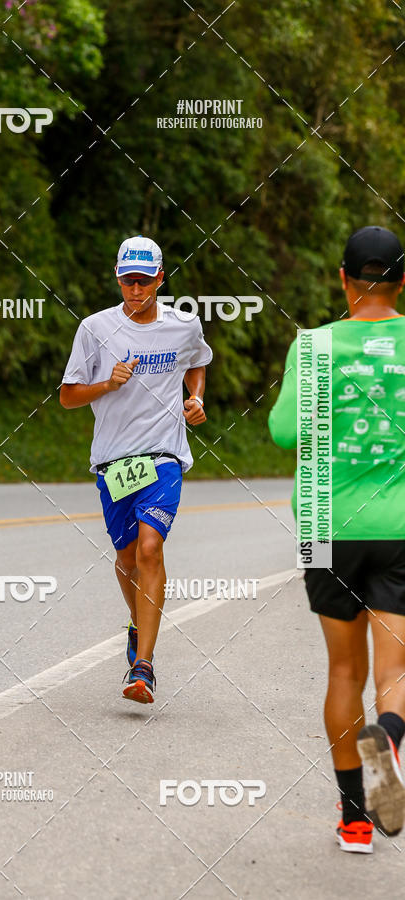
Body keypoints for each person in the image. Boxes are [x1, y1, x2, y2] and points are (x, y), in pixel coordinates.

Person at [269, 225, 405, 853]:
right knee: (394, 669)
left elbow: (282, 432)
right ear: (402, 281)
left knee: (343, 668)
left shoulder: (315, 345)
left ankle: (354, 819)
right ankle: (393, 739)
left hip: (323, 527)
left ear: (343, 279)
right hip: (401, 526)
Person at [60, 235, 212, 703]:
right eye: (128, 280)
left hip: (163, 455)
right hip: (113, 461)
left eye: (144, 281)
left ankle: (142, 667)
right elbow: (68, 396)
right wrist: (107, 383)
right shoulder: (94, 329)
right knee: (126, 558)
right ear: (118, 278)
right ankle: (136, 624)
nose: (136, 289)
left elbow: (197, 362)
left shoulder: (183, 326)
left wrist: (196, 398)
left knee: (150, 549)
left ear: (160, 280)